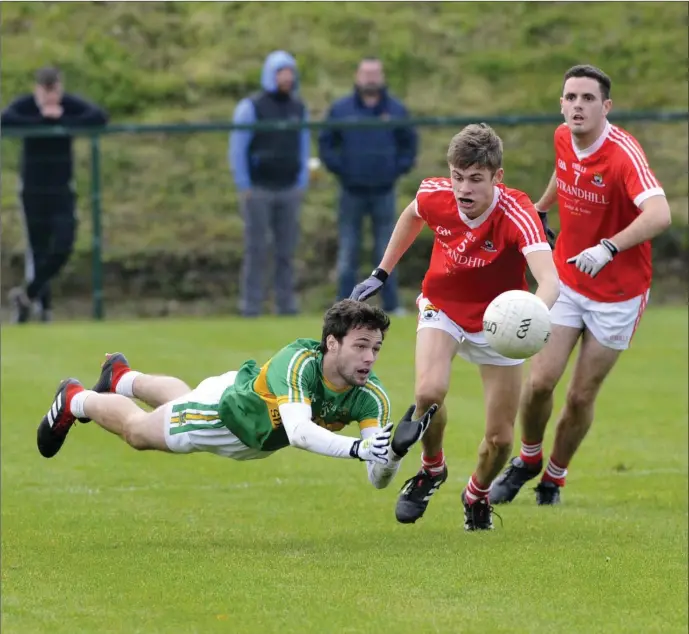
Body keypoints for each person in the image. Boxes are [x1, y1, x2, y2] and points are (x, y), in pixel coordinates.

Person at [350, 124, 560, 530]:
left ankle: (476, 494)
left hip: (500, 323)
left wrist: (532, 314)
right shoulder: (436, 194)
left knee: (500, 440)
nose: (464, 188)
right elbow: (412, 214)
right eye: (458, 176)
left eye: (476, 179)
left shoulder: (518, 212)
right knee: (428, 392)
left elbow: (549, 280)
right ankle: (432, 469)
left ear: (497, 177)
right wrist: (382, 271)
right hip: (442, 307)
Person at [490, 65, 671, 506]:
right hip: (567, 278)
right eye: (570, 97)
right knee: (539, 382)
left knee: (580, 395)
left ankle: (554, 476)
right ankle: (528, 460)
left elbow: (660, 214)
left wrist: (609, 247)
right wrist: (541, 207)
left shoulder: (623, 154)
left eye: (588, 98)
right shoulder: (561, 136)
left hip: (618, 294)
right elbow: (563, 170)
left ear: (605, 106)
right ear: (561, 103)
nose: (577, 106)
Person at [37, 300, 438, 495]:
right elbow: (298, 432)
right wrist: (362, 448)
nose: (369, 357)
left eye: (377, 348)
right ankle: (75, 399)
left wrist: (393, 453)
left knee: (183, 398)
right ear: (331, 344)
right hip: (224, 417)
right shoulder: (300, 362)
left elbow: (377, 478)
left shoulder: (372, 397)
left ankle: (123, 378)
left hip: (245, 415)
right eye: (361, 346)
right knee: (139, 432)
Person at [1, 66, 108, 323]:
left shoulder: (67, 105)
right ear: (38, 89)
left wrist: (61, 120)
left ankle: (27, 295)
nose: (51, 97)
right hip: (32, 189)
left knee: (63, 243)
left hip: (61, 189)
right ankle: (42, 308)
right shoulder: (26, 106)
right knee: (38, 250)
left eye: (55, 90)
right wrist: (41, 121)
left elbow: (99, 116)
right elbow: (5, 119)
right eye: (46, 91)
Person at [318, 57, 418, 315]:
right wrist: (343, 171)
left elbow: (409, 145)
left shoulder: (395, 110)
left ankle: (392, 305)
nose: (371, 79)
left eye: (375, 73)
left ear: (382, 76)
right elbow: (326, 143)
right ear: (357, 76)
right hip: (351, 191)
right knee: (348, 250)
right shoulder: (341, 110)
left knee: (389, 249)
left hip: (384, 191)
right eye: (366, 73)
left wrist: (395, 170)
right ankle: (343, 307)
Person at [229, 50, 310, 318]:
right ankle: (250, 305)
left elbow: (303, 145)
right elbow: (238, 147)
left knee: (286, 250)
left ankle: (285, 305)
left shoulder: (298, 109)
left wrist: (301, 181)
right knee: (256, 249)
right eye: (281, 72)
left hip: (288, 188)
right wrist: (244, 184)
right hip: (259, 189)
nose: (286, 77)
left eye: (289, 72)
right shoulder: (251, 107)